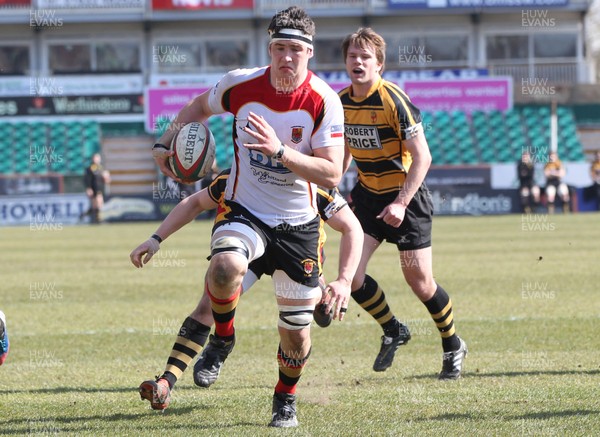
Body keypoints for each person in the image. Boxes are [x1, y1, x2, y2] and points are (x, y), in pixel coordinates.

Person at [146, 6, 347, 428]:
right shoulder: (241, 84)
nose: (286, 58)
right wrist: (164, 141)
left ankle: (285, 397)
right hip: (245, 210)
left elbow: (332, 171)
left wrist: (279, 151)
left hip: (299, 225)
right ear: (269, 49)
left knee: (295, 334)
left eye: (295, 49)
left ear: (309, 53)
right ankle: (223, 336)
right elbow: (198, 108)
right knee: (224, 267)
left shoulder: (324, 101)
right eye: (279, 48)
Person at [131, 169, 362, 410]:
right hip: (250, 242)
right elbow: (194, 202)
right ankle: (168, 382)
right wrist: (156, 238)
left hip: (296, 252)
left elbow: (351, 226)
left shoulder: (312, 181)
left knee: (305, 320)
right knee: (208, 305)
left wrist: (344, 280)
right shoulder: (239, 177)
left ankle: (318, 299)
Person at [339, 28, 467, 379]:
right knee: (350, 276)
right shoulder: (340, 102)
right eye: (353, 56)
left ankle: (452, 344)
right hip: (367, 199)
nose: (358, 62)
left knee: (419, 281)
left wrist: (400, 202)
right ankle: (394, 328)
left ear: (379, 64)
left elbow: (422, 158)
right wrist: (333, 184)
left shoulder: (395, 100)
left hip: (405, 200)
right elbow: (344, 152)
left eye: (365, 57)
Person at [81, 153, 110, 223]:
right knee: (99, 204)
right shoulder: (90, 168)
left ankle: (83, 215)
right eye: (95, 158)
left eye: (98, 158)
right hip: (94, 188)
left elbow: (106, 180)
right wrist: (88, 188)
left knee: (95, 207)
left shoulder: (101, 168)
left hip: (100, 188)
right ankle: (100, 220)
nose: (97, 159)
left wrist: (107, 178)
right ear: (93, 159)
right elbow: (87, 179)